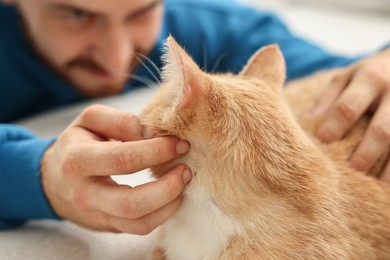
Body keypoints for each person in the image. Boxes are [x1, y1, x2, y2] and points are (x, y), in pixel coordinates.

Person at [0, 0, 389, 234]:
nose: (116, 58)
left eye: (143, 10)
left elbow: (345, 77)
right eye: (76, 15)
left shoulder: (207, 23)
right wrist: (39, 174)